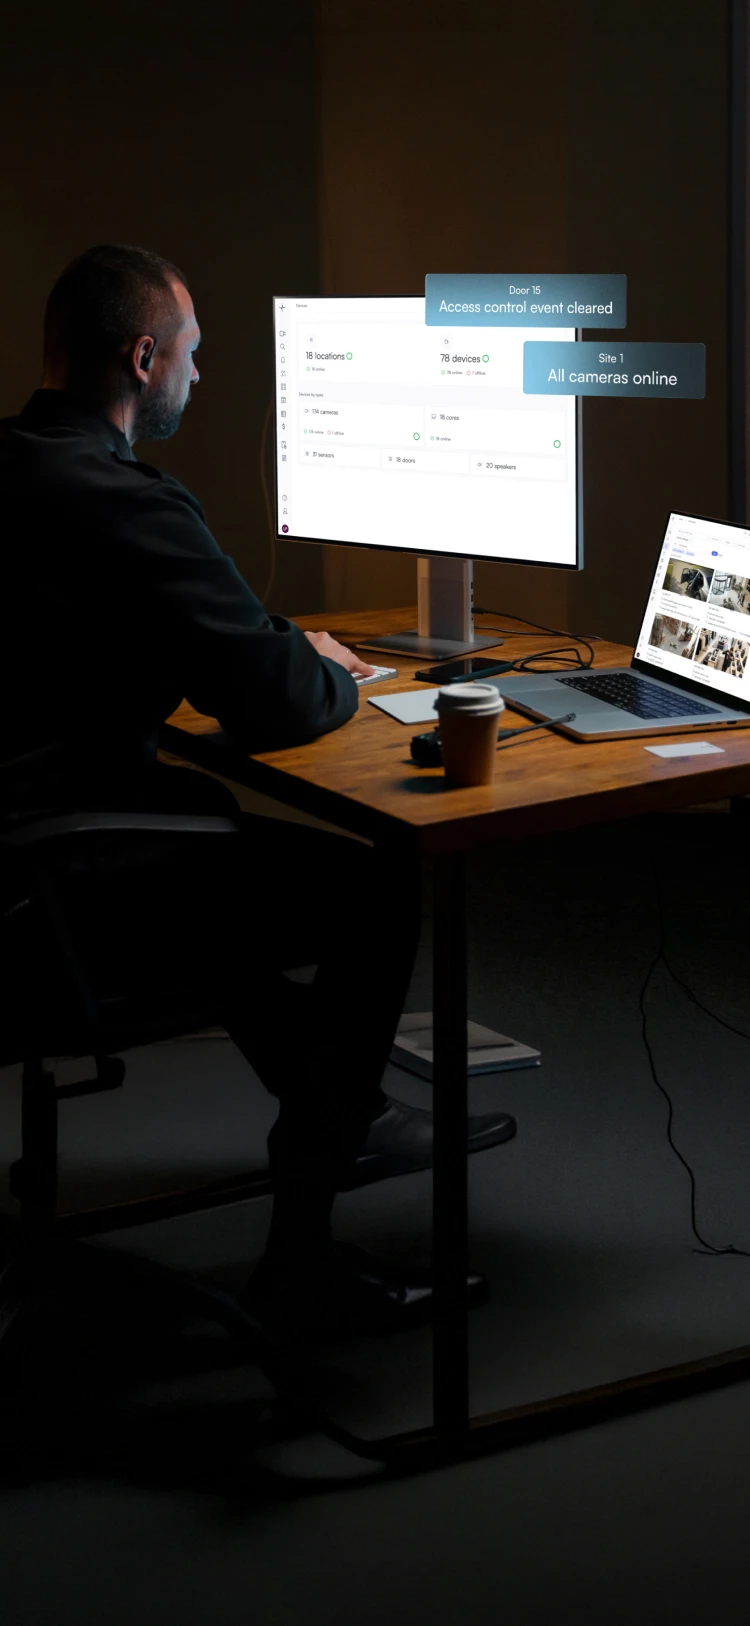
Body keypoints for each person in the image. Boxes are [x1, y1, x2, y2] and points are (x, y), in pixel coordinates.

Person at [0, 246, 514, 1337]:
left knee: (211, 829)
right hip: (53, 901)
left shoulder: (13, 465)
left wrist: (268, 646)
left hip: (19, 872)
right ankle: (309, 1237)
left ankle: (338, 1103)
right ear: (145, 358)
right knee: (377, 881)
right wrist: (316, 666)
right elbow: (279, 704)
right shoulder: (125, 502)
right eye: (193, 352)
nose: (200, 374)